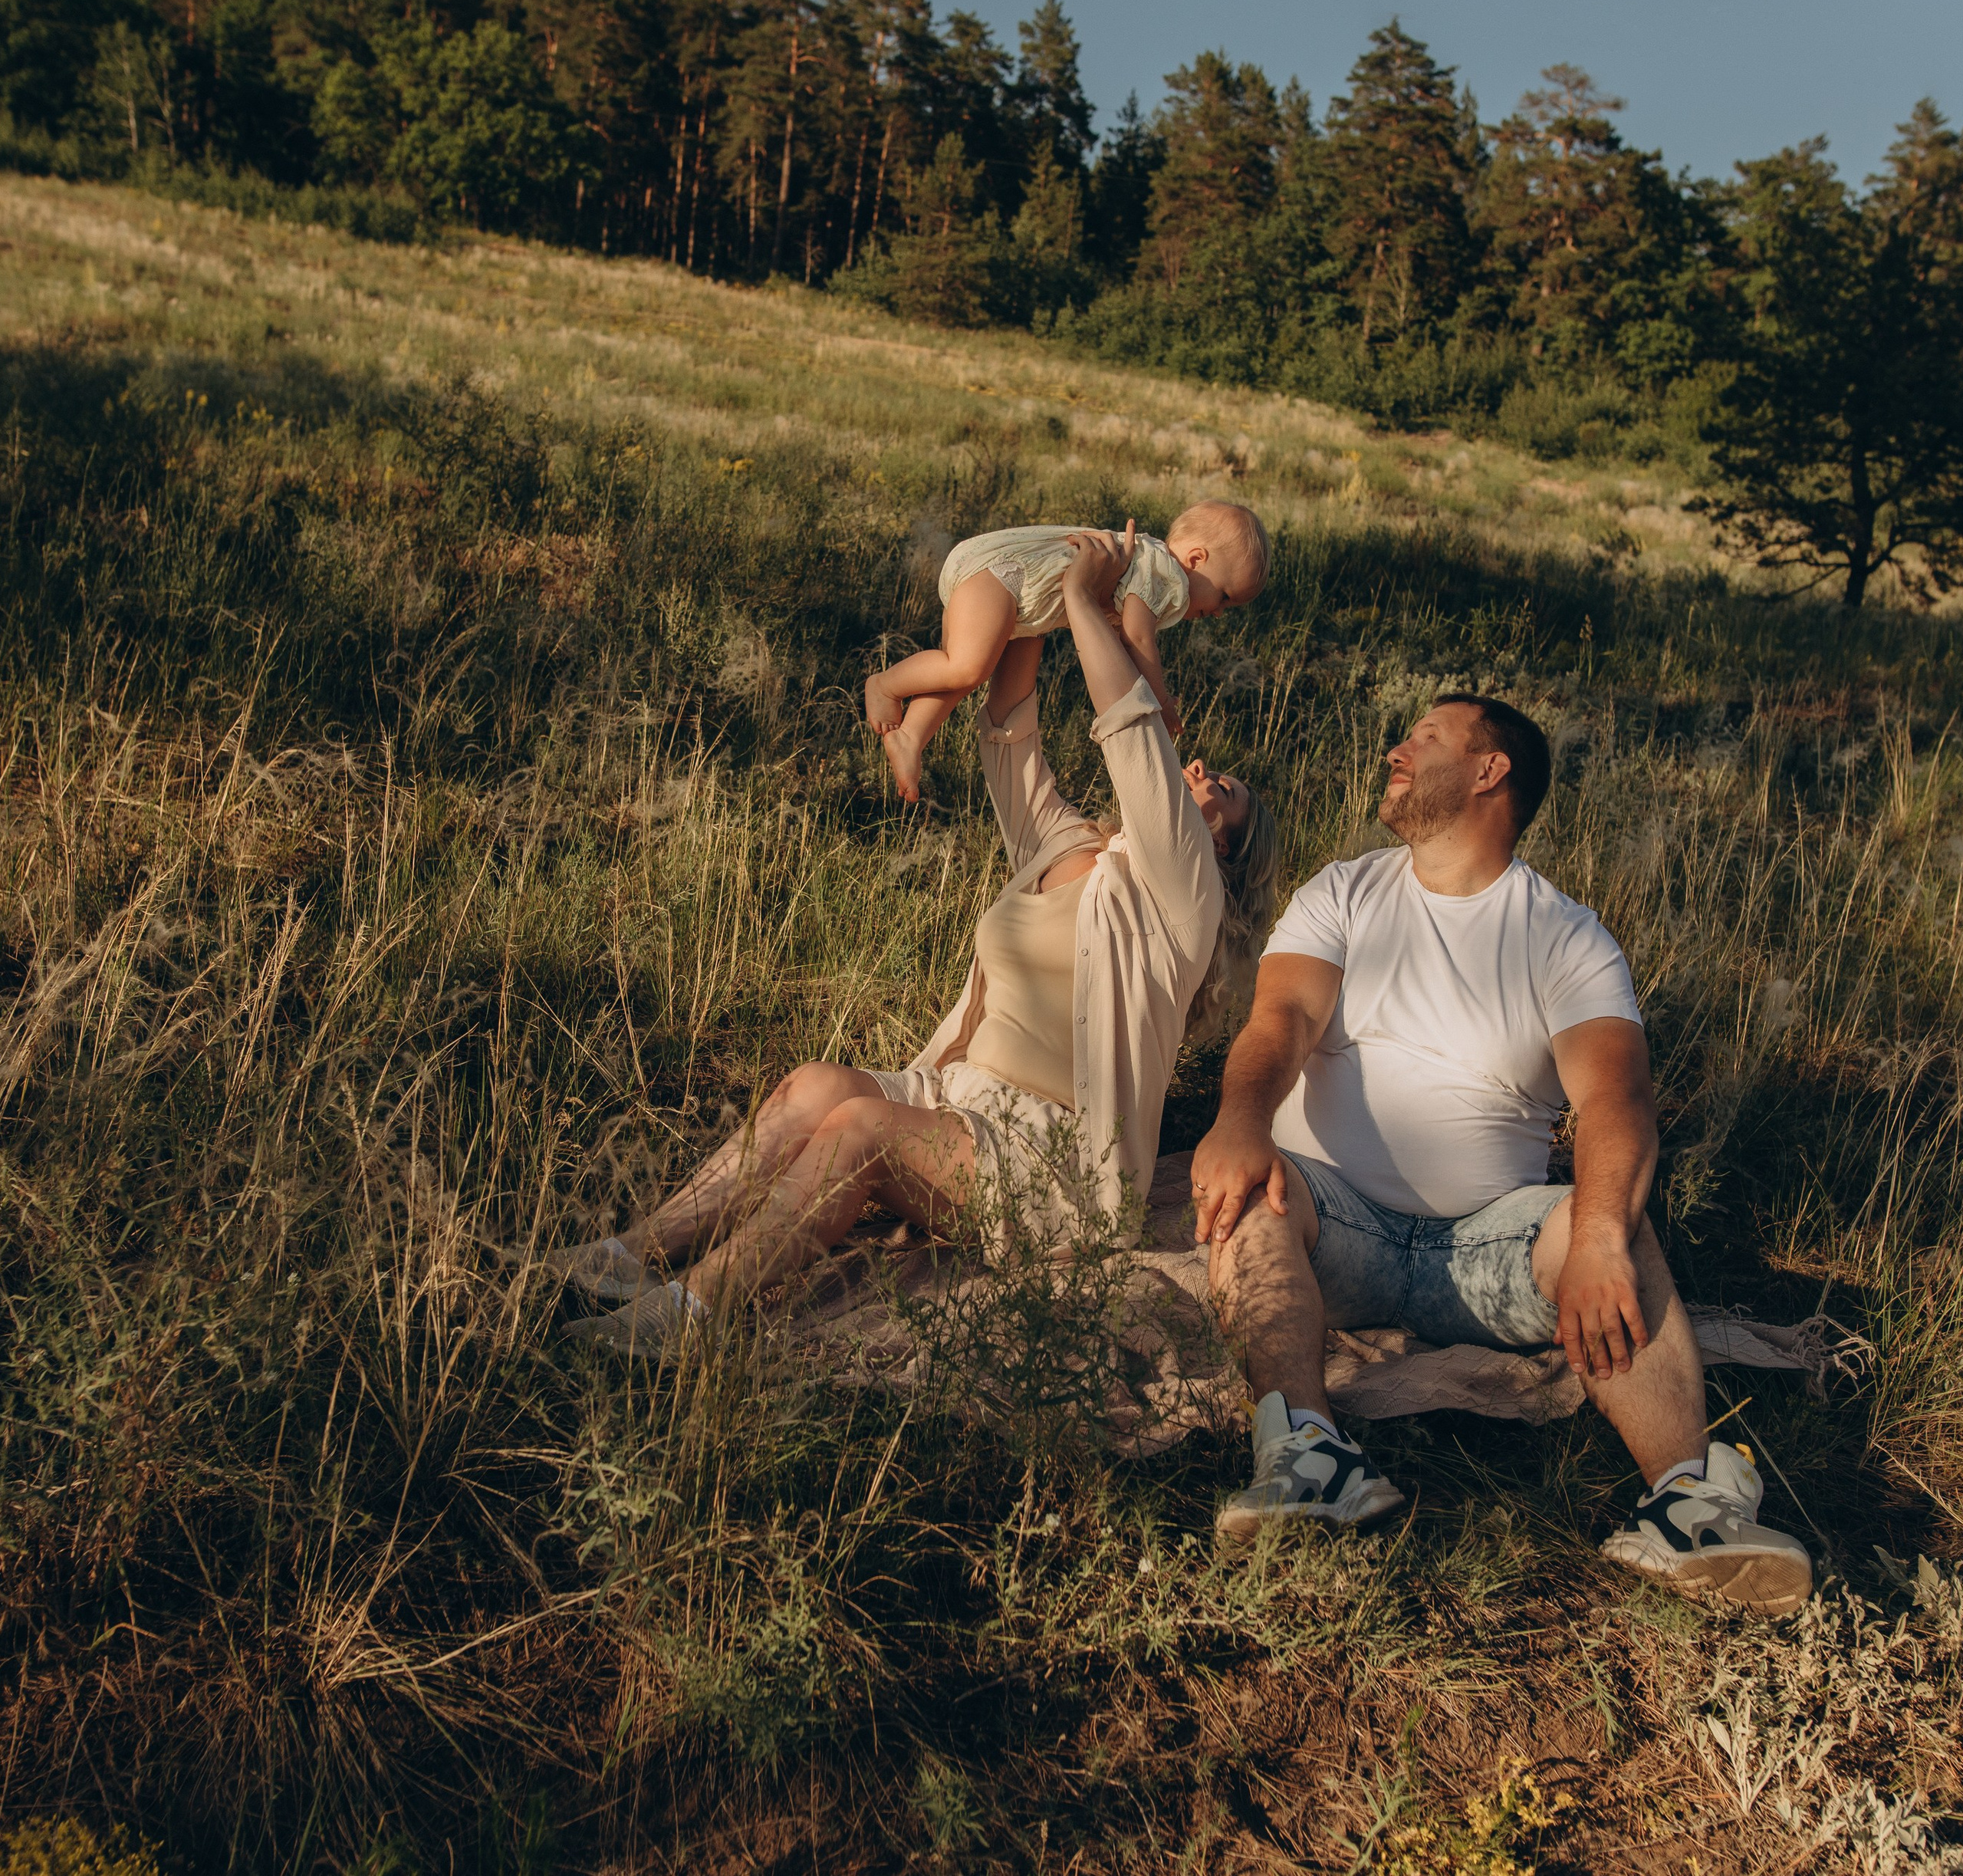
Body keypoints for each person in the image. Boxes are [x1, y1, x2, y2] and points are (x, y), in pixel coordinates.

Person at [557, 524, 1280, 1354]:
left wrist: (1085, 599)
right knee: (817, 1086)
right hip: (960, 1099)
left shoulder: (1180, 901)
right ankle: (625, 1257)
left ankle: (682, 1318)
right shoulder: (1066, 845)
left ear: (1225, 850)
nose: (1198, 773)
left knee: (860, 1128)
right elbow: (1008, 727)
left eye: (1219, 788)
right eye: (1202, 768)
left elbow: (1132, 731)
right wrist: (1037, 592)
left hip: (1057, 1164)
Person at [1189, 694, 1815, 1617]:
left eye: (1425, 738)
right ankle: (1309, 1458)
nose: (1395, 749)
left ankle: (1691, 1506)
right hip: (1333, 1222)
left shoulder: (1564, 935)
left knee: (1612, 1229)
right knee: (1249, 1194)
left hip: (1486, 1245)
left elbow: (1615, 1098)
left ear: (1490, 773)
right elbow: (1280, 1021)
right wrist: (1241, 1117)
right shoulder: (1343, 890)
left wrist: (1598, 1232)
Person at [865, 500, 1270, 802]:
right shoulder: (1167, 575)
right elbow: (1137, 638)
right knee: (965, 667)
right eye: (1225, 598)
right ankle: (885, 686)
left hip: (1011, 588)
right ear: (1197, 559)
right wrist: (1159, 701)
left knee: (968, 669)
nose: (1218, 612)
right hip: (1007, 576)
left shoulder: (1151, 567)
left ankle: (912, 737)